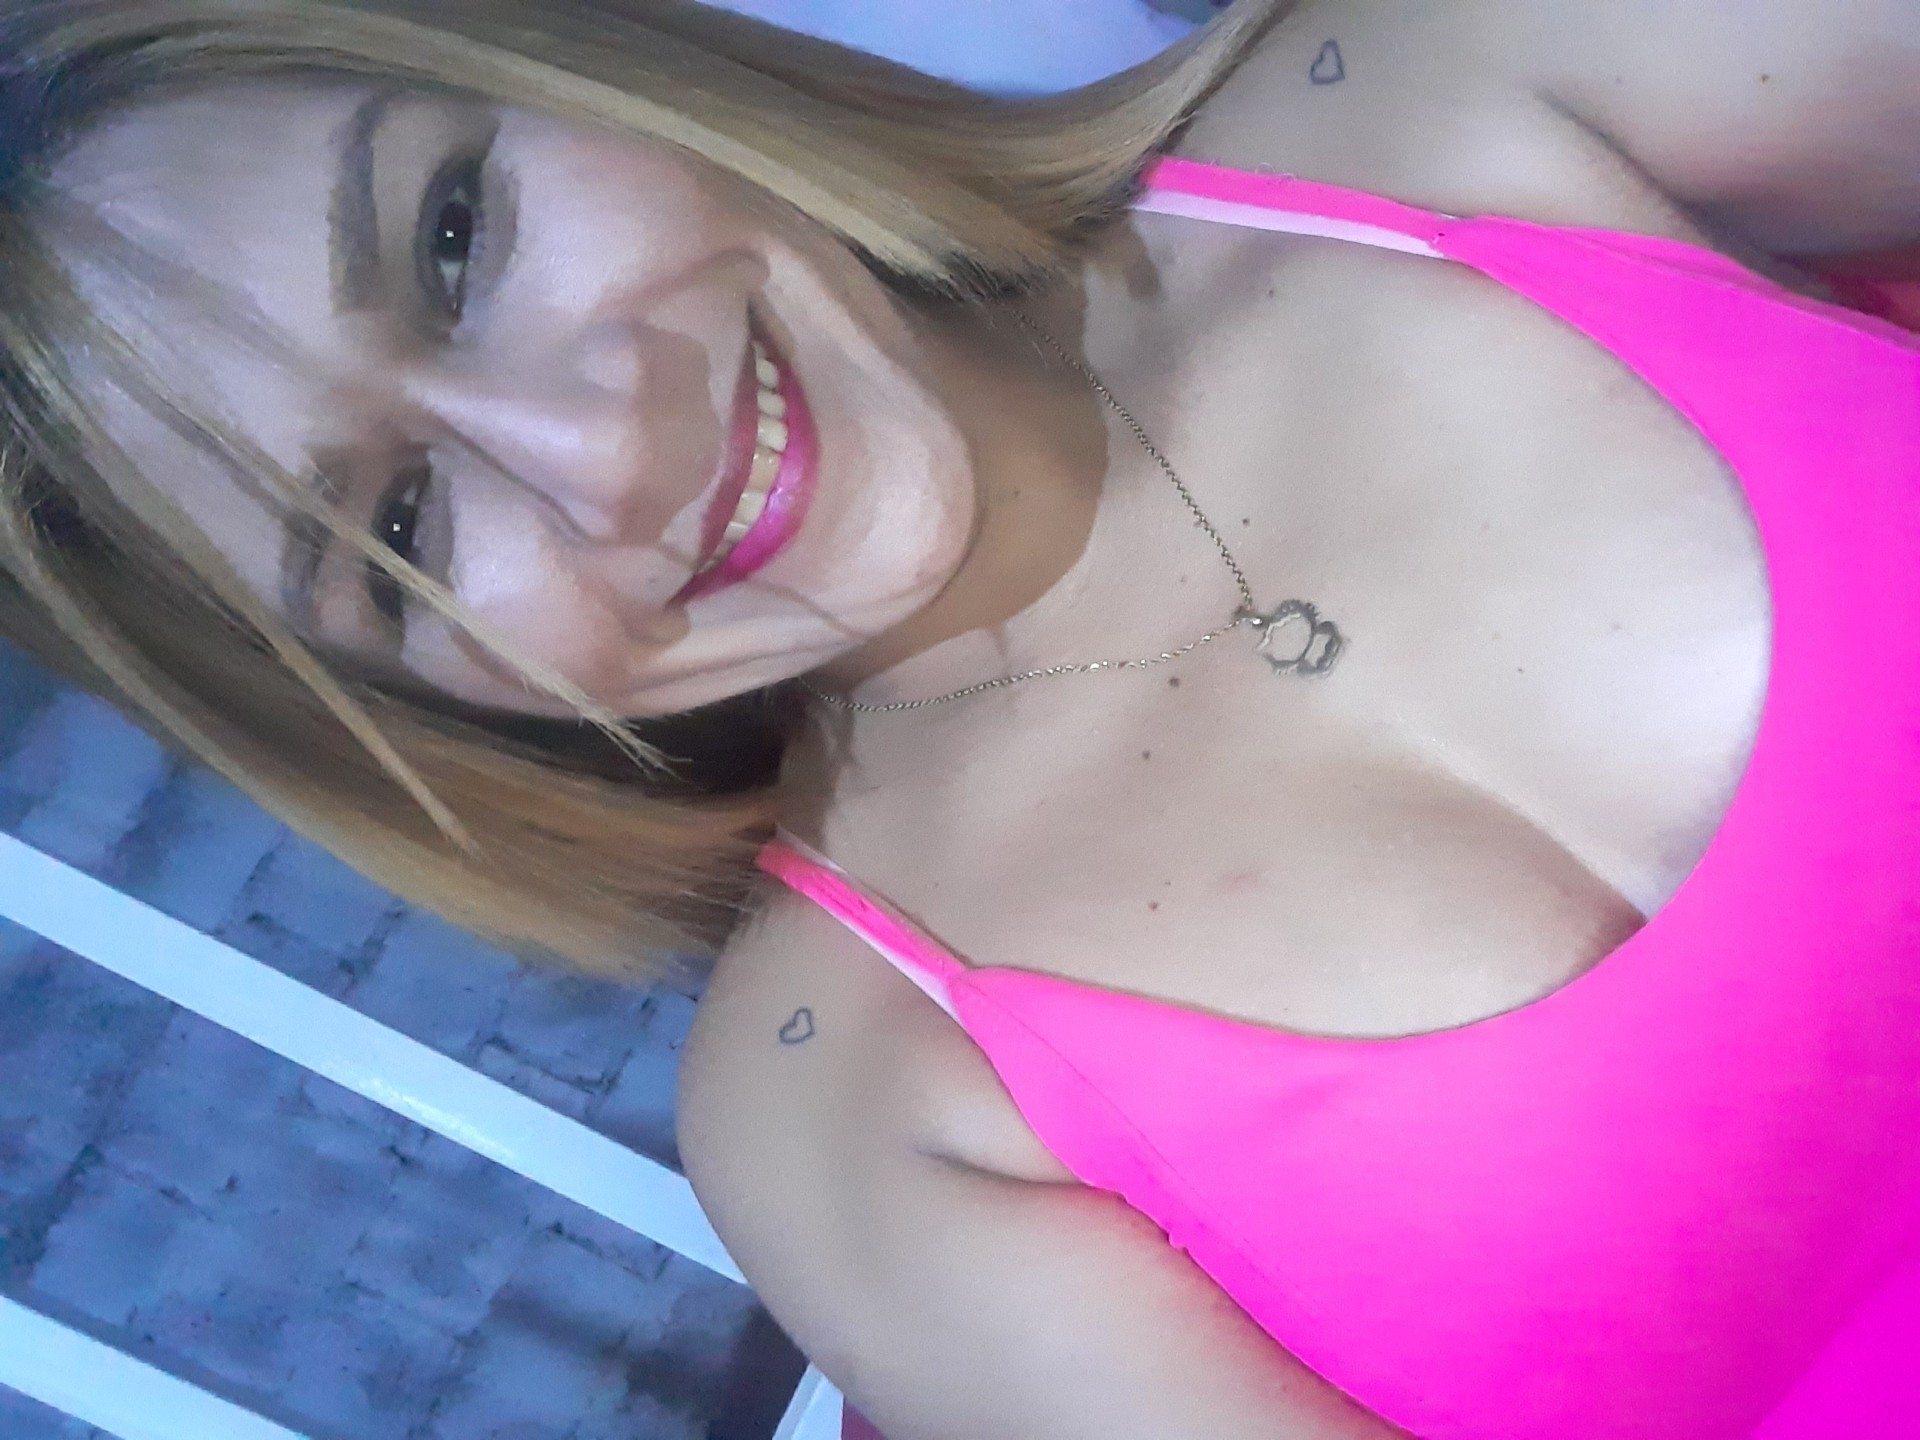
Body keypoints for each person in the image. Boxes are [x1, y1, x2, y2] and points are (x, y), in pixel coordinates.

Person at [2, 1, 1916, 1436]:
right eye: (403, 527)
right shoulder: (848, 1102)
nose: (606, 447)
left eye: (451, 238)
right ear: (391, 705)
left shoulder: (1447, 76)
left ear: (588, 74)